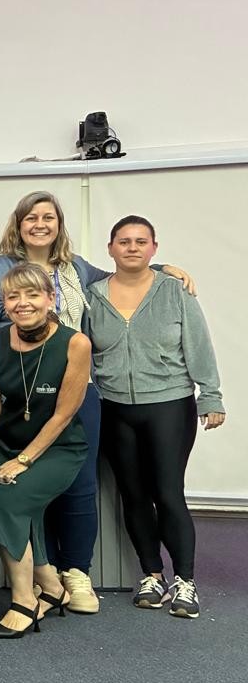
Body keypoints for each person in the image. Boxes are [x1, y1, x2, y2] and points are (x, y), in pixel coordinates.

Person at [0, 190, 194, 614]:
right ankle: (45, 575)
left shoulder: (74, 268)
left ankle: (77, 573)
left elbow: (118, 275)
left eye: (48, 217)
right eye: (30, 217)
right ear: (17, 225)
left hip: (76, 388)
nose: (40, 224)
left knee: (78, 485)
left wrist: (161, 268)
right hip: (22, 396)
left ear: (58, 224)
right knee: (30, 487)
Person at [86, 216, 225, 618]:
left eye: (140, 241)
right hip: (114, 408)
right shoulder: (94, 296)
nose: (132, 247)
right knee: (133, 496)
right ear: (110, 249)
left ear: (154, 248)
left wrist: (210, 396)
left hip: (169, 405)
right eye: (123, 241)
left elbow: (199, 345)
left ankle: (185, 581)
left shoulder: (174, 291)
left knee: (167, 493)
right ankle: (152, 574)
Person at [0, 263, 89, 638]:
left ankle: (25, 600)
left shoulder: (75, 343)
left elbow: (63, 415)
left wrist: (23, 461)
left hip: (58, 448)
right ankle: (52, 586)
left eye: (32, 294)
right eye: (13, 296)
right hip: (4, 442)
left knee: (6, 501)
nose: (22, 303)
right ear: (4, 303)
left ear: (50, 298)